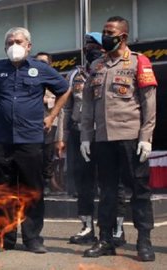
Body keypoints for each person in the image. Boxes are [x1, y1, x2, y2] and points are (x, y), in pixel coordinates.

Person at [0, 27, 70, 254]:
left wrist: (52, 116)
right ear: (4, 47)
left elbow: (64, 89)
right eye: (10, 42)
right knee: (3, 192)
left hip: (30, 140)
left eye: (18, 41)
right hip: (1, 139)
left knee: (32, 190)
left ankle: (33, 239)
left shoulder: (41, 69)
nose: (14, 46)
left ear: (29, 46)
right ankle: (4, 239)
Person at [80, 16, 157, 261]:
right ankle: (105, 240)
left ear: (122, 36)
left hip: (131, 138)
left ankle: (144, 241)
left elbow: (149, 104)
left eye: (109, 31)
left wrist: (146, 137)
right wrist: (85, 137)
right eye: (104, 31)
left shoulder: (138, 62)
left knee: (139, 191)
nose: (105, 35)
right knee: (107, 193)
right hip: (103, 140)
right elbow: (88, 106)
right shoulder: (96, 67)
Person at [58, 32, 127, 246]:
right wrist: (61, 138)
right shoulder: (74, 74)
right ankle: (87, 227)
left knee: (113, 184)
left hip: (107, 135)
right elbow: (66, 109)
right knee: (84, 183)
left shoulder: (113, 69)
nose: (89, 49)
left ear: (104, 48)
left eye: (94, 46)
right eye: (87, 46)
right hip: (80, 135)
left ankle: (117, 229)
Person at [34, 52, 64, 194]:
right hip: (32, 124)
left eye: (44, 62)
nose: (40, 65)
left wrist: (61, 137)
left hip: (50, 123)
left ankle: (47, 183)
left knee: (48, 156)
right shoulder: (31, 78)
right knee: (34, 156)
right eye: (38, 61)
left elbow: (61, 104)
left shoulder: (55, 80)